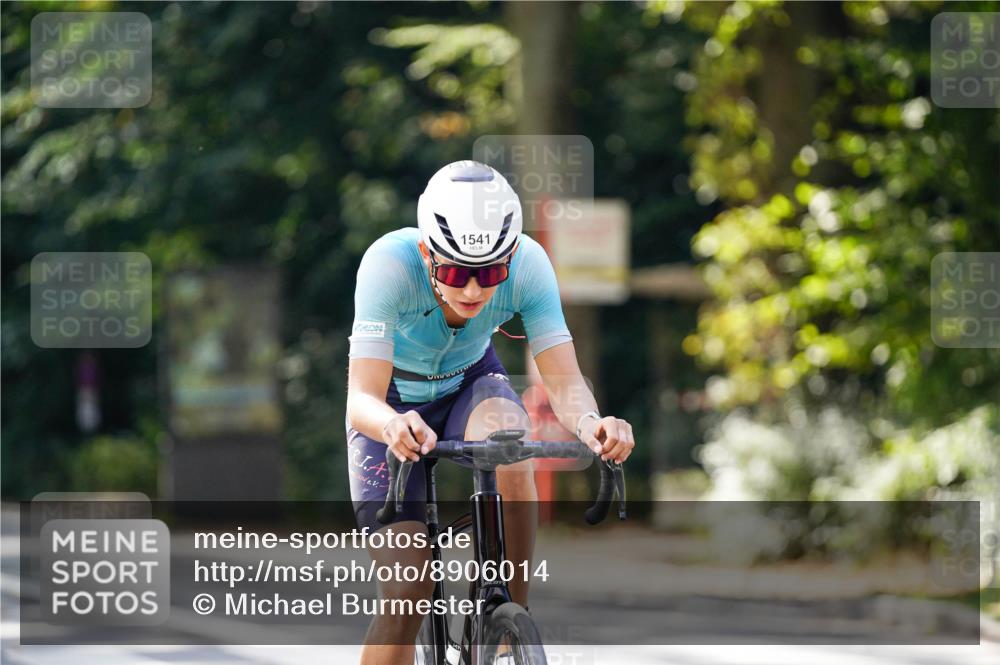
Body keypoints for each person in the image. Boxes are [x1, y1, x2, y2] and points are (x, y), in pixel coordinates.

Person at [346, 160, 635, 664]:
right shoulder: (388, 264)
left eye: (491, 273)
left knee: (511, 444)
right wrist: (392, 423)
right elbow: (360, 399)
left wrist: (594, 425)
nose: (474, 290)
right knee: (408, 592)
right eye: (456, 272)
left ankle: (506, 616)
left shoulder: (530, 263)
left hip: (469, 384)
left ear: (510, 259)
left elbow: (564, 381)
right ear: (425, 252)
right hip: (390, 408)